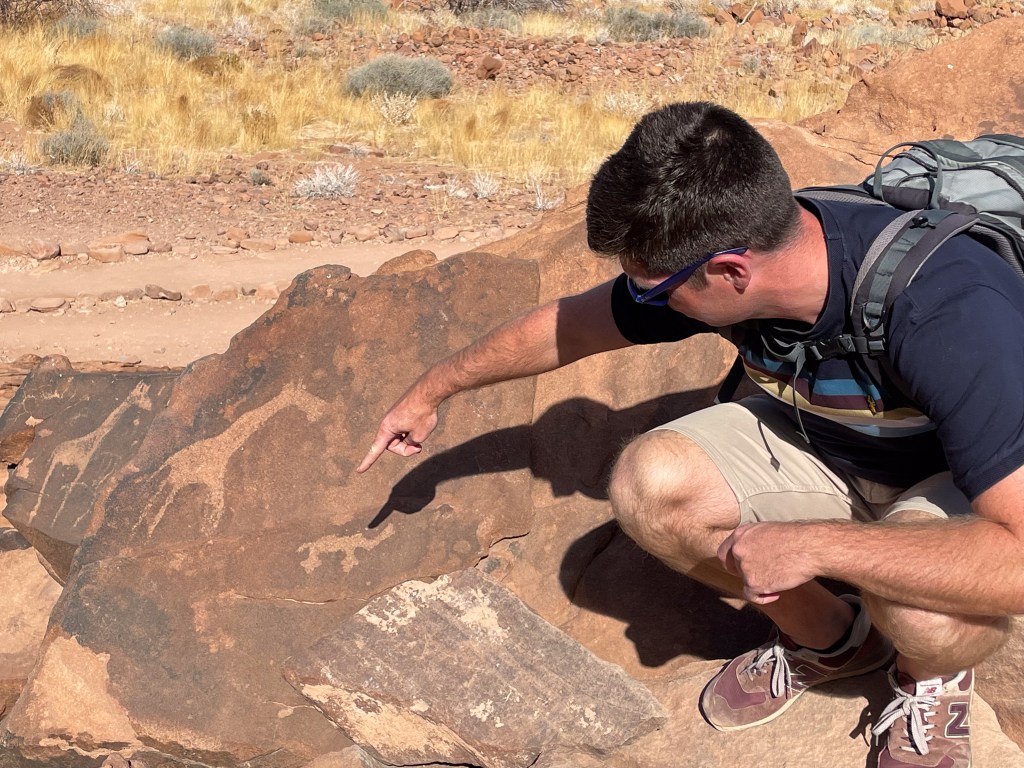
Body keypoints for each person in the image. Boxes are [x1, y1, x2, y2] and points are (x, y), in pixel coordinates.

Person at [356, 101, 1024, 768]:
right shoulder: (736, 260)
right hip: (828, 451)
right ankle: (835, 641)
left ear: (732, 272)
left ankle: (926, 677)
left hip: (957, 488)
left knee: (926, 616)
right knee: (650, 484)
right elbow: (569, 328)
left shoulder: (949, 310)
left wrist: (821, 546)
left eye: (654, 291)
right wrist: (431, 390)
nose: (643, 303)